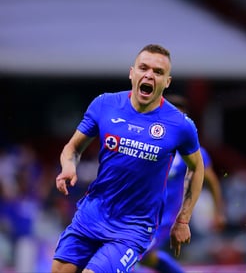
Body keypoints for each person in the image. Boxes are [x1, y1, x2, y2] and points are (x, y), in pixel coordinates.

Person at [51, 44, 205, 273]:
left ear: (167, 82)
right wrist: (68, 166)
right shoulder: (105, 105)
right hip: (91, 215)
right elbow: (72, 148)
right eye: (144, 68)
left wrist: (183, 219)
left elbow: (197, 168)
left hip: (133, 228)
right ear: (132, 72)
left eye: (158, 71)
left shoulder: (180, 125)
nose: (149, 75)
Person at [137, 94, 226, 273]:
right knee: (145, 258)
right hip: (140, 213)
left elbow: (212, 182)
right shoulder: (151, 145)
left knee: (132, 255)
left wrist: (218, 213)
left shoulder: (194, 153)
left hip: (164, 220)